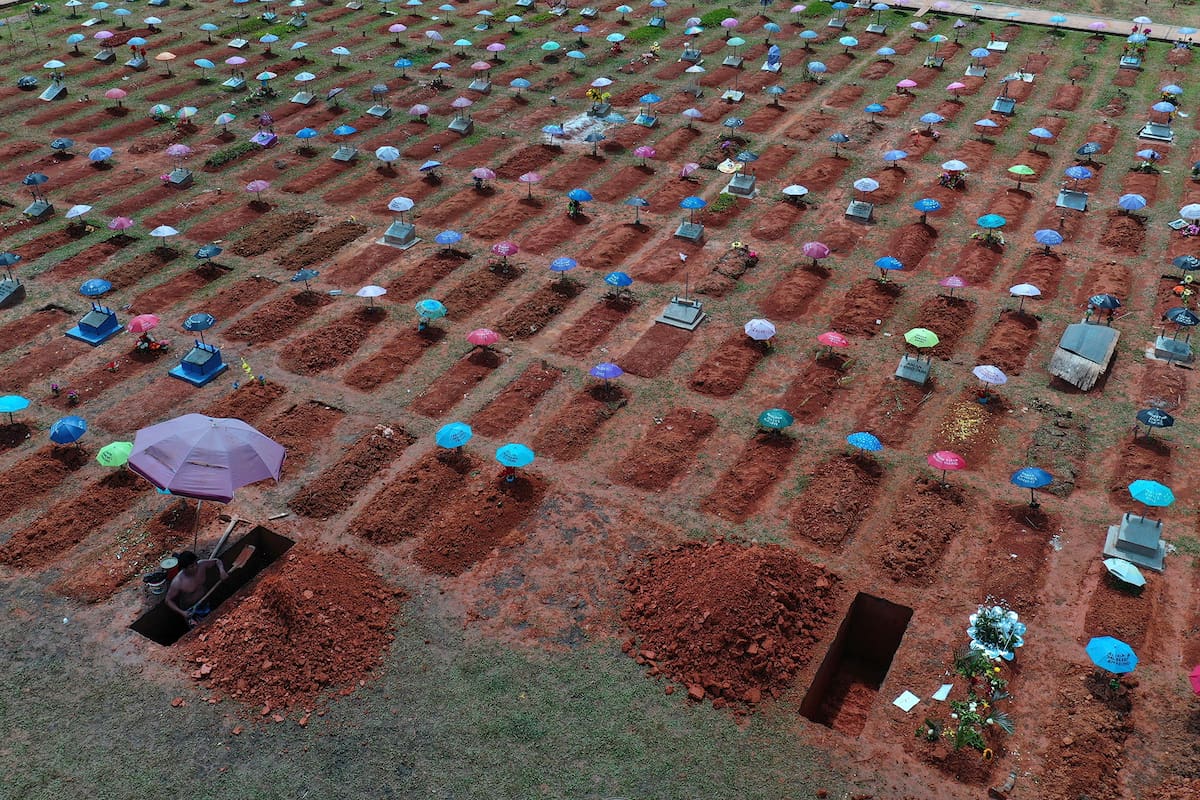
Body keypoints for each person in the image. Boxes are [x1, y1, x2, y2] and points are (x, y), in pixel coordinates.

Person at [165, 550, 227, 627]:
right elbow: (168, 600)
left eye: (195, 563)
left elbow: (217, 561)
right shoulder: (178, 582)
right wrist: (182, 613)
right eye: (191, 566)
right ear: (184, 569)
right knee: (199, 630)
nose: (196, 567)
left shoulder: (202, 564)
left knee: (214, 623)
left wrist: (222, 570)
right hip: (191, 611)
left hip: (205, 601)